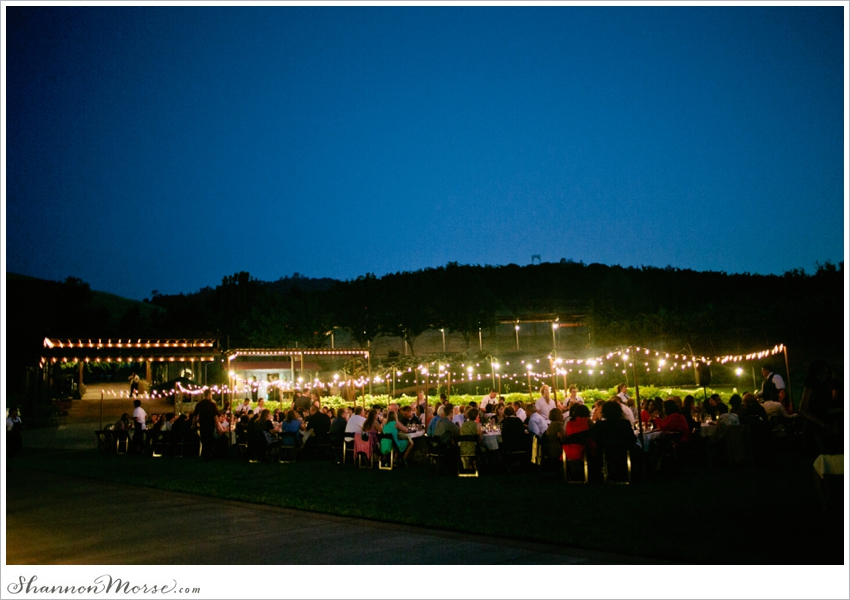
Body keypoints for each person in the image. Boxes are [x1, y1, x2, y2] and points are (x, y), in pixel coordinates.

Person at [799, 359, 842, 458]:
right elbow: (802, 409)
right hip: (814, 427)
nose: (824, 376)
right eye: (821, 373)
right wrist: (821, 423)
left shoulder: (827, 386)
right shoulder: (810, 387)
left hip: (826, 426)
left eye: (826, 373)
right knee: (818, 458)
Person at [194, 389, 219, 461]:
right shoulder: (212, 404)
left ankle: (205, 454)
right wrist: (217, 425)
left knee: (204, 439)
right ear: (208, 395)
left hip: (202, 424)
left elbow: (195, 415)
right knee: (209, 439)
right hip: (210, 424)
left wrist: (194, 423)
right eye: (211, 394)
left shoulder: (199, 404)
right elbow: (215, 416)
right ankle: (208, 454)